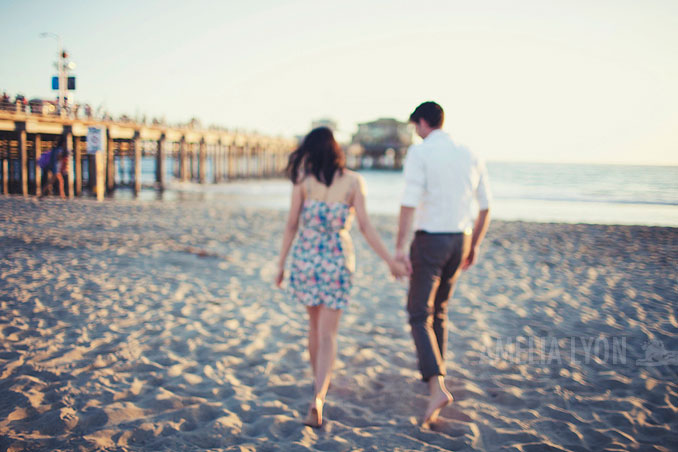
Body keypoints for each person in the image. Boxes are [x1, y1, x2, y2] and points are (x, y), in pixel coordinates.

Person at [276, 127, 409, 428]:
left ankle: (317, 387)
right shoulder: (352, 181)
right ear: (337, 150)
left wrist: (281, 264)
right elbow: (365, 226)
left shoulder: (303, 182)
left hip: (307, 259)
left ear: (309, 151)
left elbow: (290, 225)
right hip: (337, 259)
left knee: (314, 327)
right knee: (328, 334)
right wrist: (389, 260)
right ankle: (320, 394)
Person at [395, 101, 492, 426]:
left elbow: (409, 202)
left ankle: (437, 386)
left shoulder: (421, 153)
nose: (416, 134)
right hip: (460, 239)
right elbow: (485, 206)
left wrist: (399, 247)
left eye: (416, 128)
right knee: (440, 309)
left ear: (423, 123)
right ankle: (436, 374)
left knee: (418, 312)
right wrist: (475, 244)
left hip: (431, 239)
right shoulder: (470, 152)